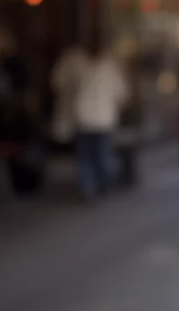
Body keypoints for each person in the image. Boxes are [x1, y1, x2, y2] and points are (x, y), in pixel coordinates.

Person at [52, 24, 129, 199]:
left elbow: (58, 84)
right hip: (97, 118)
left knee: (88, 156)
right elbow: (122, 93)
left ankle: (91, 188)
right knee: (97, 155)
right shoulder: (102, 64)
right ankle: (97, 187)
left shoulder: (80, 62)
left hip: (86, 117)